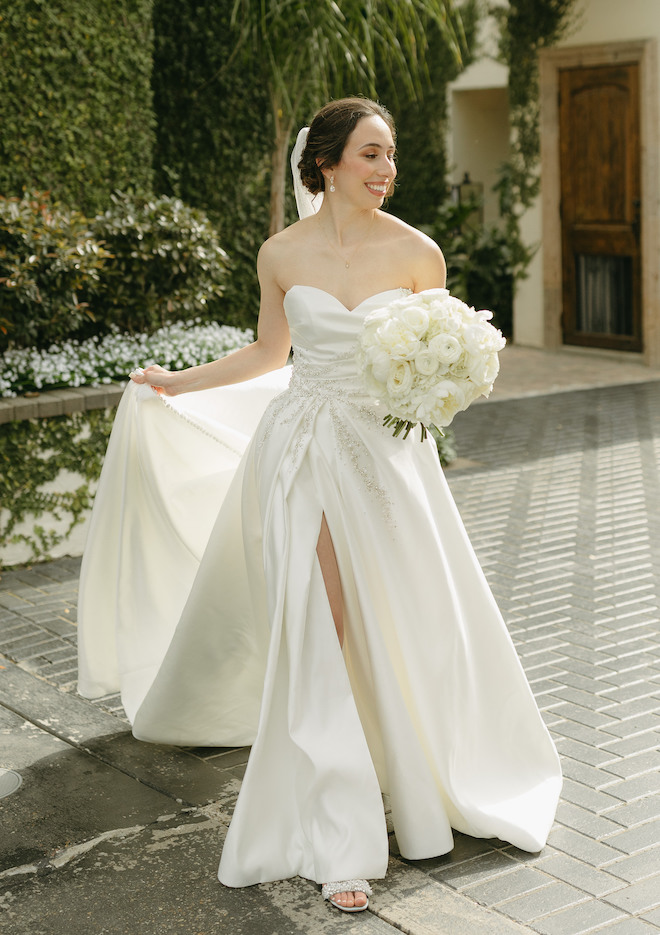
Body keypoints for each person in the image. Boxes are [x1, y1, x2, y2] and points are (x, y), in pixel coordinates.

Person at [77, 97, 561, 914]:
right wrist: (175, 382)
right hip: (300, 454)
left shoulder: (419, 253)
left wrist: (436, 392)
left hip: (385, 461)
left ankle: (416, 767)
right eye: (371, 154)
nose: (386, 170)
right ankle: (339, 837)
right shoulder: (280, 253)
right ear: (326, 163)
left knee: (400, 621)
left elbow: (438, 374)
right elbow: (271, 352)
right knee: (318, 625)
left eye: (392, 155)